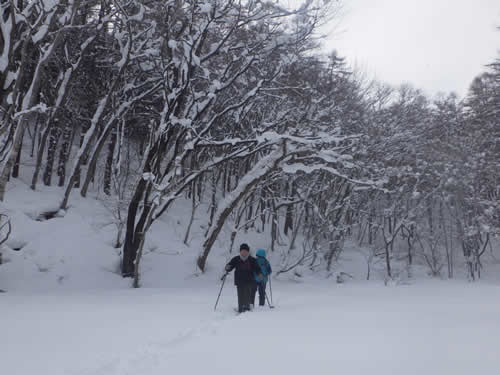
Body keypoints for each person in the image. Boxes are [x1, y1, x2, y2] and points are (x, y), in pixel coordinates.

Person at [224, 243, 262, 313]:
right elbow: (230, 266)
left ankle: (247, 308)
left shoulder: (252, 260)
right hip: (239, 280)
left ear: (248, 252)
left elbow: (257, 268)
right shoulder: (236, 259)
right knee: (240, 295)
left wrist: (259, 274)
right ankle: (241, 308)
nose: (244, 252)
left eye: (245, 251)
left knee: (247, 295)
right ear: (240, 251)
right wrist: (227, 267)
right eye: (242, 251)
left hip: (249, 280)